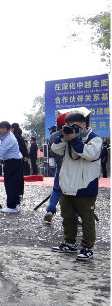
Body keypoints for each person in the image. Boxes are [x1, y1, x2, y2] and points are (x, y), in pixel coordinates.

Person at [50, 111, 102, 261]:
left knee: (87, 219)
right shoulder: (68, 138)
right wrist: (64, 135)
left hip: (85, 186)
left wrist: (74, 139)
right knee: (67, 217)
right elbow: (55, 149)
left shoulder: (94, 139)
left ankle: (87, 248)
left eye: (76, 126)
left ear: (84, 125)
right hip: (67, 185)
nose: (72, 129)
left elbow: (89, 153)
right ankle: (70, 243)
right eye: (68, 126)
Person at [43, 114, 67, 224]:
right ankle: (75, 214)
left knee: (56, 189)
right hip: (70, 166)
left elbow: (51, 152)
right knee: (74, 190)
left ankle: (50, 210)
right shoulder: (72, 135)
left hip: (59, 164)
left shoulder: (52, 136)